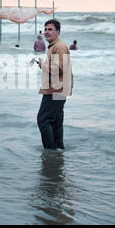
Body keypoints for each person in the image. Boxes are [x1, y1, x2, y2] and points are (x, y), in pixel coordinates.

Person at [37, 19, 72, 150]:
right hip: (58, 88)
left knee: (43, 120)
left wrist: (42, 65)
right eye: (45, 29)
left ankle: (50, 151)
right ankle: (58, 149)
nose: (47, 32)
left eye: (50, 29)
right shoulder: (53, 46)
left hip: (55, 89)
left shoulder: (59, 47)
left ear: (57, 32)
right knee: (56, 121)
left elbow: (58, 69)